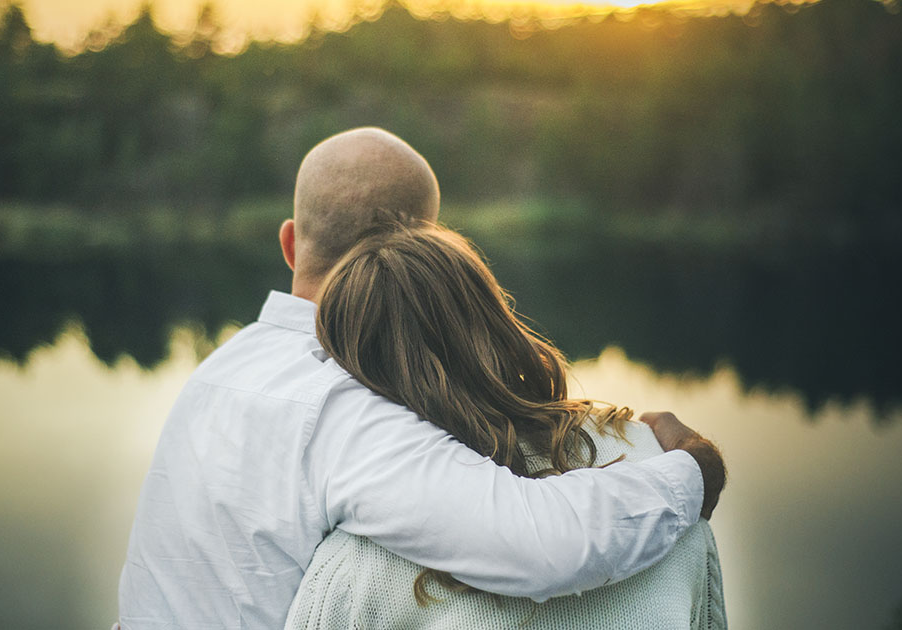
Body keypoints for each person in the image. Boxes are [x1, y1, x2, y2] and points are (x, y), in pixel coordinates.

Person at [117, 127, 724, 630]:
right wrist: (692, 471)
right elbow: (539, 544)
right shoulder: (346, 402)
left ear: (290, 242)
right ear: (419, 259)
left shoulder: (221, 367)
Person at [286, 224, 726, 628]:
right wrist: (697, 464)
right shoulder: (659, 462)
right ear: (494, 315)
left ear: (357, 366)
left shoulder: (353, 563)